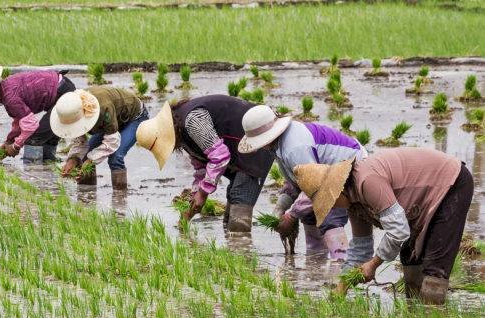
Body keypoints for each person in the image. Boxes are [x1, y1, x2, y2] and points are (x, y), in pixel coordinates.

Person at [293, 148, 473, 305]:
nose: (332, 208)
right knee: (410, 260)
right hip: (418, 204)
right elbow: (361, 249)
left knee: (435, 268)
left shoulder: (367, 181)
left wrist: (374, 264)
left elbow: (398, 231)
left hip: (450, 183)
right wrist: (343, 285)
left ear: (337, 191)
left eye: (329, 203)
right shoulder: (355, 204)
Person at [238, 106, 367, 260]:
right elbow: (297, 181)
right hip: (325, 174)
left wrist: (291, 216)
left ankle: (340, 267)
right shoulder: (278, 144)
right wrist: (280, 209)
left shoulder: (295, 147)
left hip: (351, 168)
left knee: (329, 217)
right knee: (309, 215)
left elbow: (317, 186)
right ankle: (314, 270)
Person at [136, 95, 275, 232]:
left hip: (258, 140)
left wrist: (202, 194)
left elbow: (220, 156)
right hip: (239, 150)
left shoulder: (192, 121)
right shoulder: (181, 131)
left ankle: (243, 249)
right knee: (230, 217)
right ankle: (236, 249)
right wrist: (195, 194)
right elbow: (201, 166)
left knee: (239, 202)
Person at [0, 68, 75, 163]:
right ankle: (47, 163)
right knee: (47, 133)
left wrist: (16, 146)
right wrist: (9, 141)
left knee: (34, 139)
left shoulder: (10, 97)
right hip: (64, 86)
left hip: (63, 95)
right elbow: (19, 119)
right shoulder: (6, 88)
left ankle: (32, 171)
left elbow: (31, 125)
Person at [50, 87, 148, 190]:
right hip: (111, 121)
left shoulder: (102, 108)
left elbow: (112, 141)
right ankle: (87, 198)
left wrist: (91, 160)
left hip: (134, 117)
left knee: (116, 157)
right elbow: (80, 142)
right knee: (84, 157)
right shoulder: (73, 112)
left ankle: (120, 199)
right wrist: (73, 160)